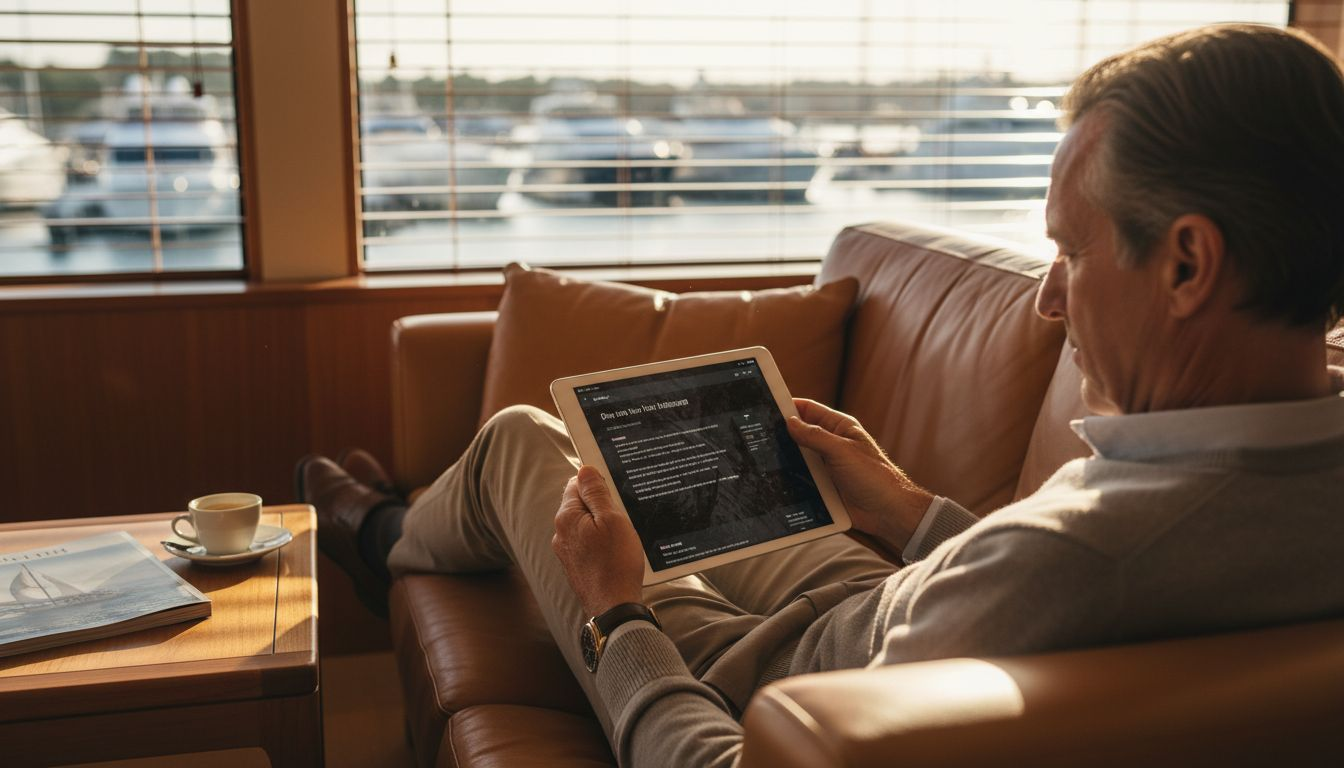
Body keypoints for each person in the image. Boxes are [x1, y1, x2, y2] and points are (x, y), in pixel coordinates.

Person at [301, 24, 1344, 768]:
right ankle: (391, 523)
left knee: (526, 441)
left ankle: (377, 536)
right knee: (722, 453)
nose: (1048, 303)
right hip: (878, 599)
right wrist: (903, 507)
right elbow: (1019, 589)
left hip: (779, 669)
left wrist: (617, 611)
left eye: (1070, 249)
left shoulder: (1082, 556)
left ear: (1188, 265)